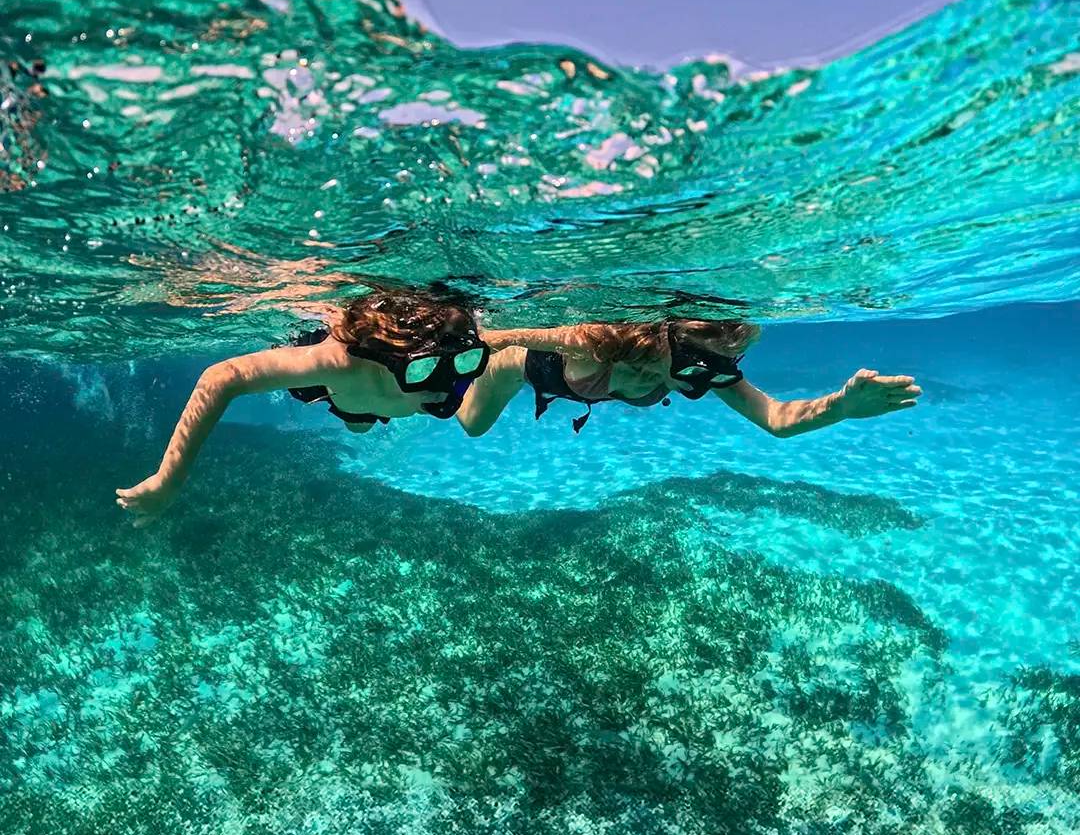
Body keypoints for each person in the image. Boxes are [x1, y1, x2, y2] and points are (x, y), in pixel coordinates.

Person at [115, 282, 490, 526]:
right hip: (347, 394)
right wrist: (169, 479)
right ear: (393, 360)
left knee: (362, 422)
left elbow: (503, 342)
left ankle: (363, 414)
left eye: (464, 367)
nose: (446, 390)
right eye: (425, 372)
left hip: (369, 402)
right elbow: (221, 377)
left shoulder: (451, 361)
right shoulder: (341, 363)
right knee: (356, 419)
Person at [452, 314, 922, 439]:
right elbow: (500, 336)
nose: (706, 378)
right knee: (471, 425)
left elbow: (777, 419)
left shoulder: (703, 372)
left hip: (583, 386)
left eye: (723, 367)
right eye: (699, 364)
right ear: (669, 346)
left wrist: (840, 407)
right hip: (520, 369)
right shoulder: (602, 341)